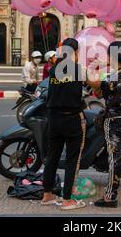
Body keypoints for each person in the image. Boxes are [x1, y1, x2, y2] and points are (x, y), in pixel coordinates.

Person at [88, 41, 121, 208]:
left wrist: (92, 69)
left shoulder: (111, 79)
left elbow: (96, 87)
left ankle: (110, 197)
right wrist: (107, 62)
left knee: (115, 160)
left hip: (115, 123)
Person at [41, 38, 87, 211]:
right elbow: (90, 87)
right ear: (75, 52)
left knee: (52, 156)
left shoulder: (53, 69)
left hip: (53, 118)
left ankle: (47, 195)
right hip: (71, 118)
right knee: (72, 159)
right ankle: (67, 199)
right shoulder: (77, 69)